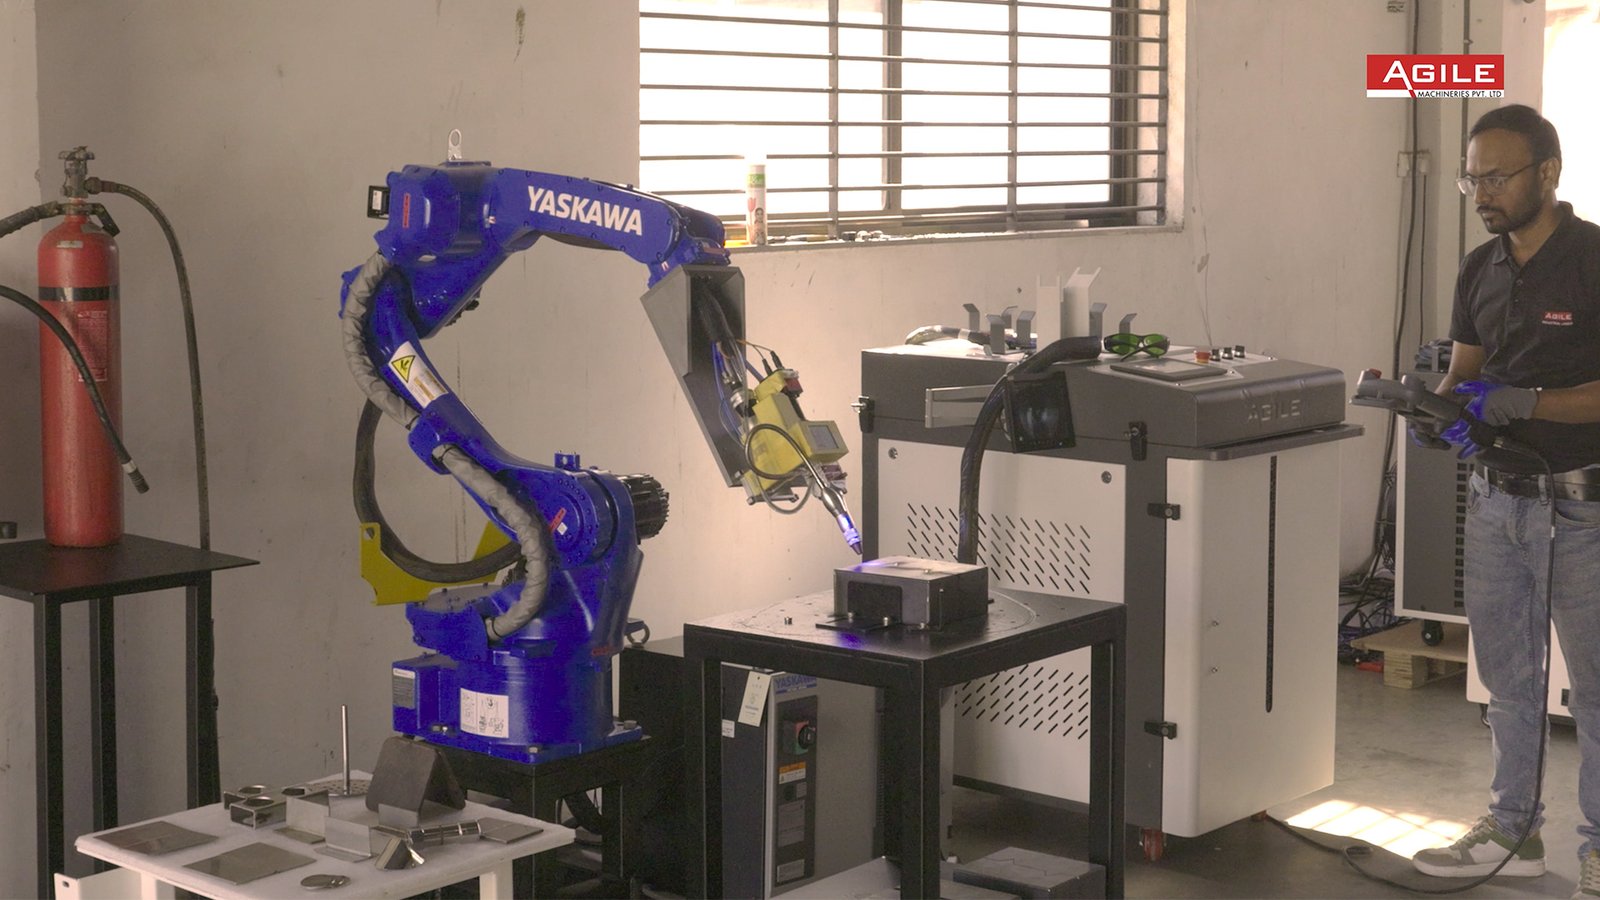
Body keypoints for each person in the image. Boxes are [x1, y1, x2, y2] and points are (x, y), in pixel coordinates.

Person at [1408, 104, 1600, 899]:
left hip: (1582, 510)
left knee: (1596, 689)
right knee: (1509, 682)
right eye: (1472, 179)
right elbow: (1466, 371)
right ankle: (1511, 831)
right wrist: (1435, 410)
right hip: (1495, 503)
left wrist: (1530, 403)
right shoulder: (1478, 267)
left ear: (1547, 173)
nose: (1482, 193)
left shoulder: (1593, 260)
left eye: (1497, 177)